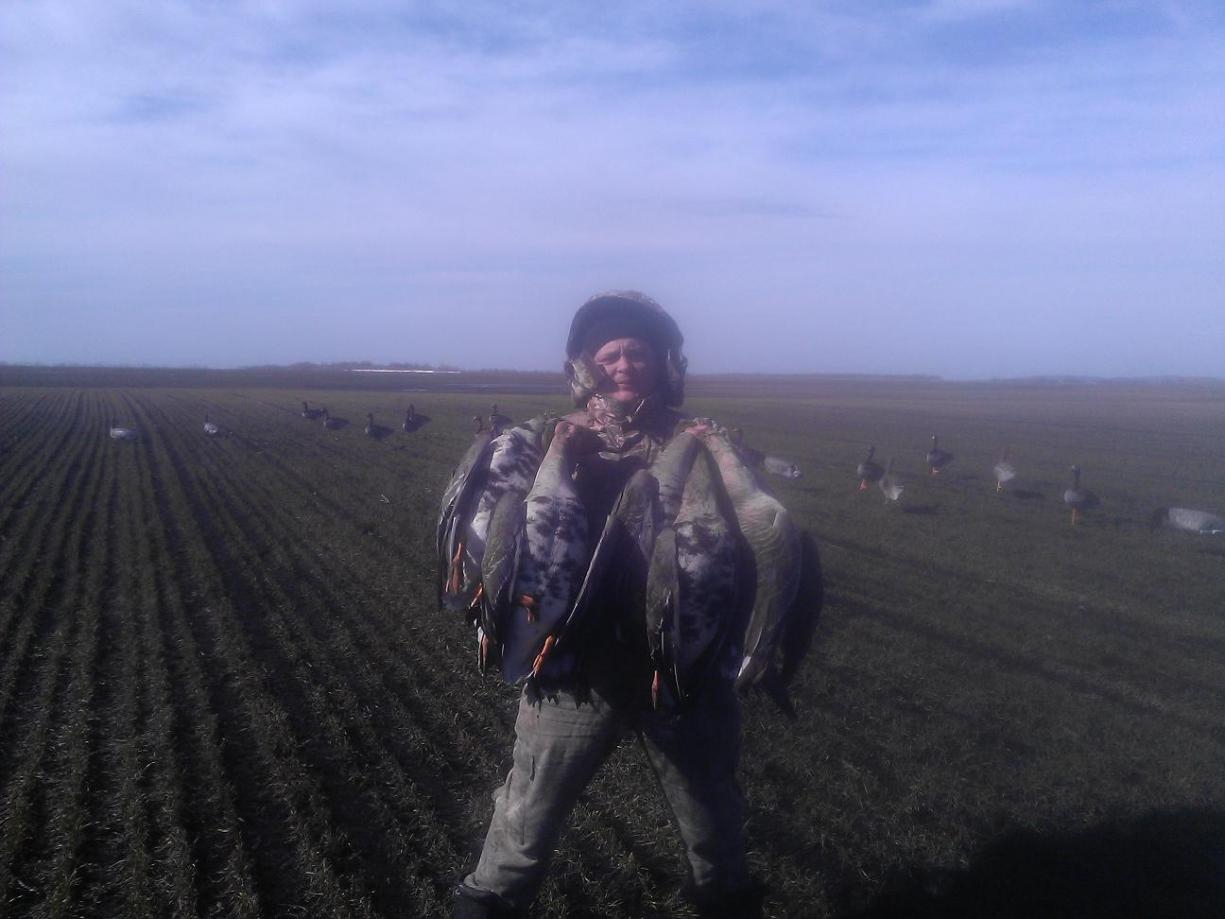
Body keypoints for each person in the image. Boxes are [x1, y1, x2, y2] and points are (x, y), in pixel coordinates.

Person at [452, 291, 764, 919]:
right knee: (525, 817)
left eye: (638, 353)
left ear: (664, 363)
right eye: (610, 354)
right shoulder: (537, 439)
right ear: (584, 366)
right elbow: (488, 543)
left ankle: (727, 904)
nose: (624, 365)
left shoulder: (704, 443)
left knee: (713, 818)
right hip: (573, 672)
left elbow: (750, 553)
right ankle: (487, 907)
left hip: (680, 674)